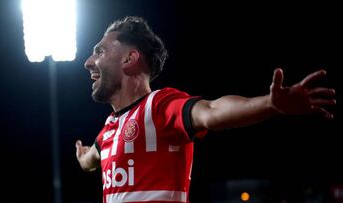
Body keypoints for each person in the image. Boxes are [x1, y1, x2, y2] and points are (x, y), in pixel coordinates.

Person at [75, 16, 336, 203]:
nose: (88, 62)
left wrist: (270, 103)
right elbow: (90, 160)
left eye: (99, 51)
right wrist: (83, 155)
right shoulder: (108, 130)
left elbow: (211, 110)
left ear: (129, 58)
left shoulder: (158, 107)